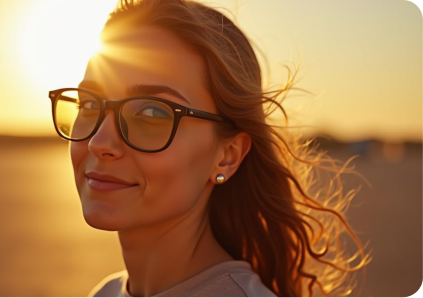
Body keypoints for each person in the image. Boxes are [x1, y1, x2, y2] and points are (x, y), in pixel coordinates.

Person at [48, 0, 369, 297]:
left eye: (152, 113)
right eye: (89, 103)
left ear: (227, 157)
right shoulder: (106, 293)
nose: (99, 142)